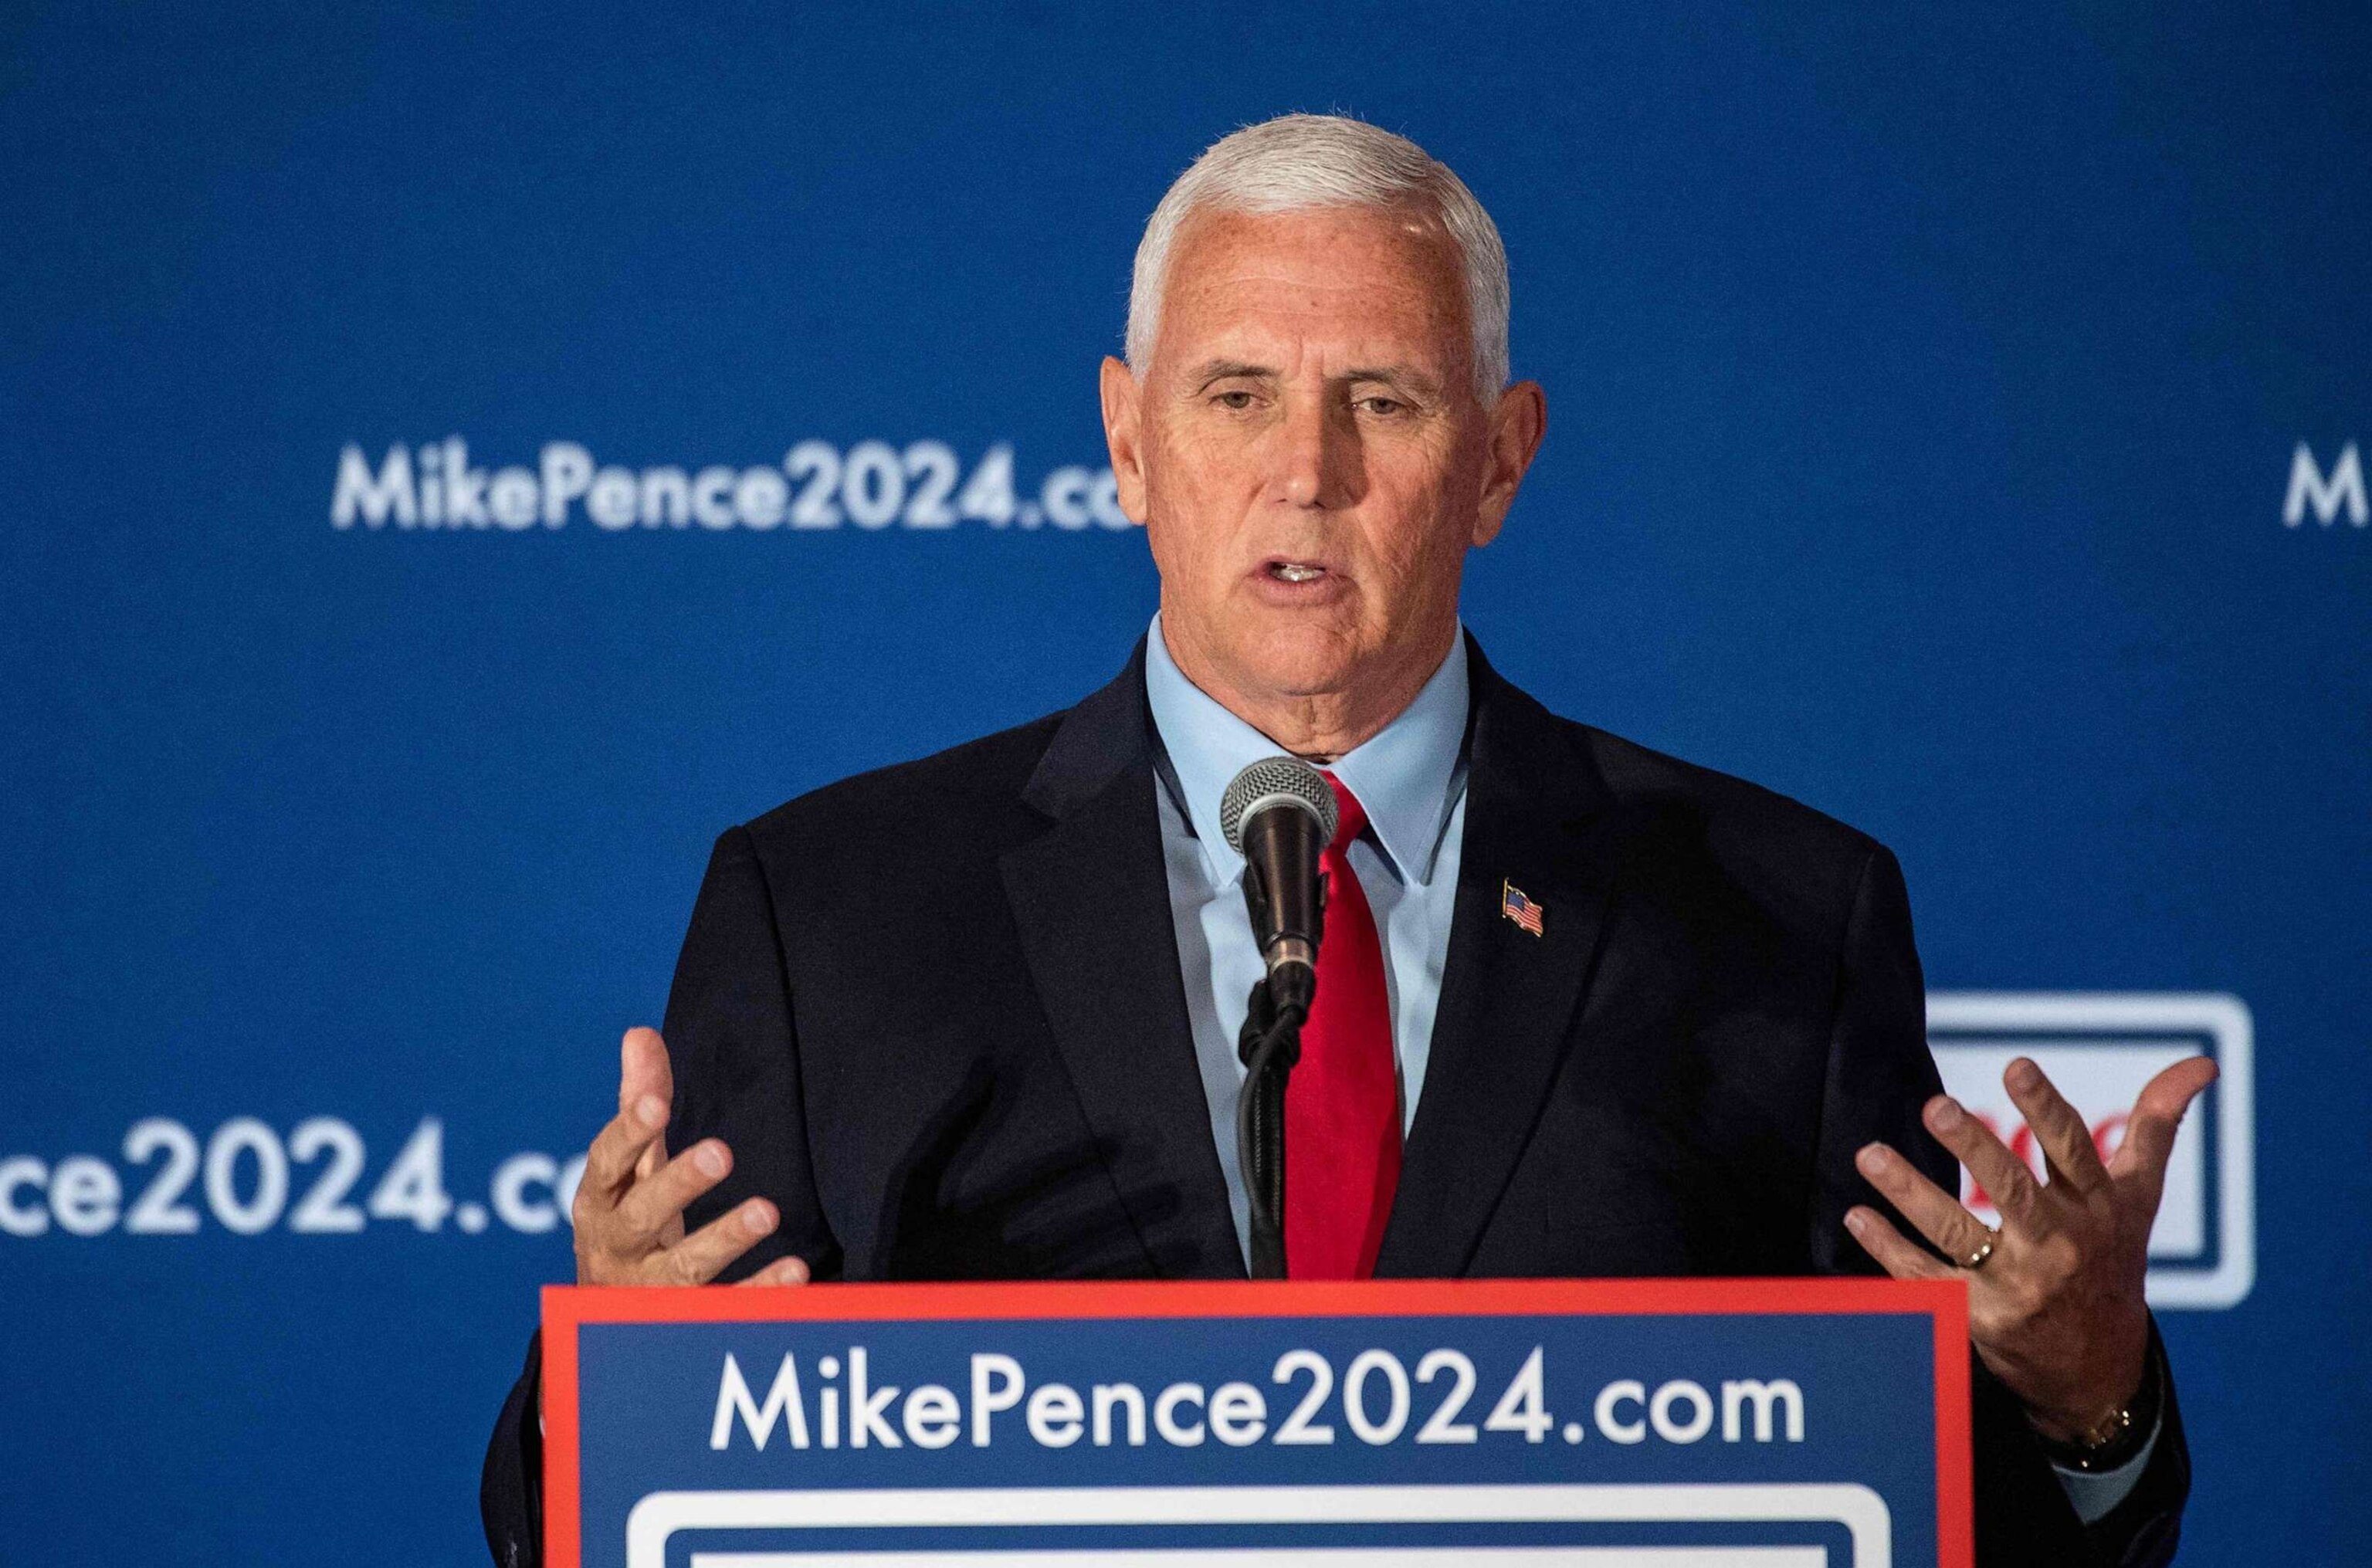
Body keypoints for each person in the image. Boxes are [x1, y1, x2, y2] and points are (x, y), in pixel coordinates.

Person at [483, 113, 2204, 1566]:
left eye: (1383, 398)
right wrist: (608, 1382)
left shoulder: (1783, 919)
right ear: (1128, 441)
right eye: (1235, 393)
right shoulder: (831, 913)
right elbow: (594, 1519)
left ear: (1500, 462)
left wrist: (2085, 1387)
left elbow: (1946, 1520)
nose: (1304, 469)